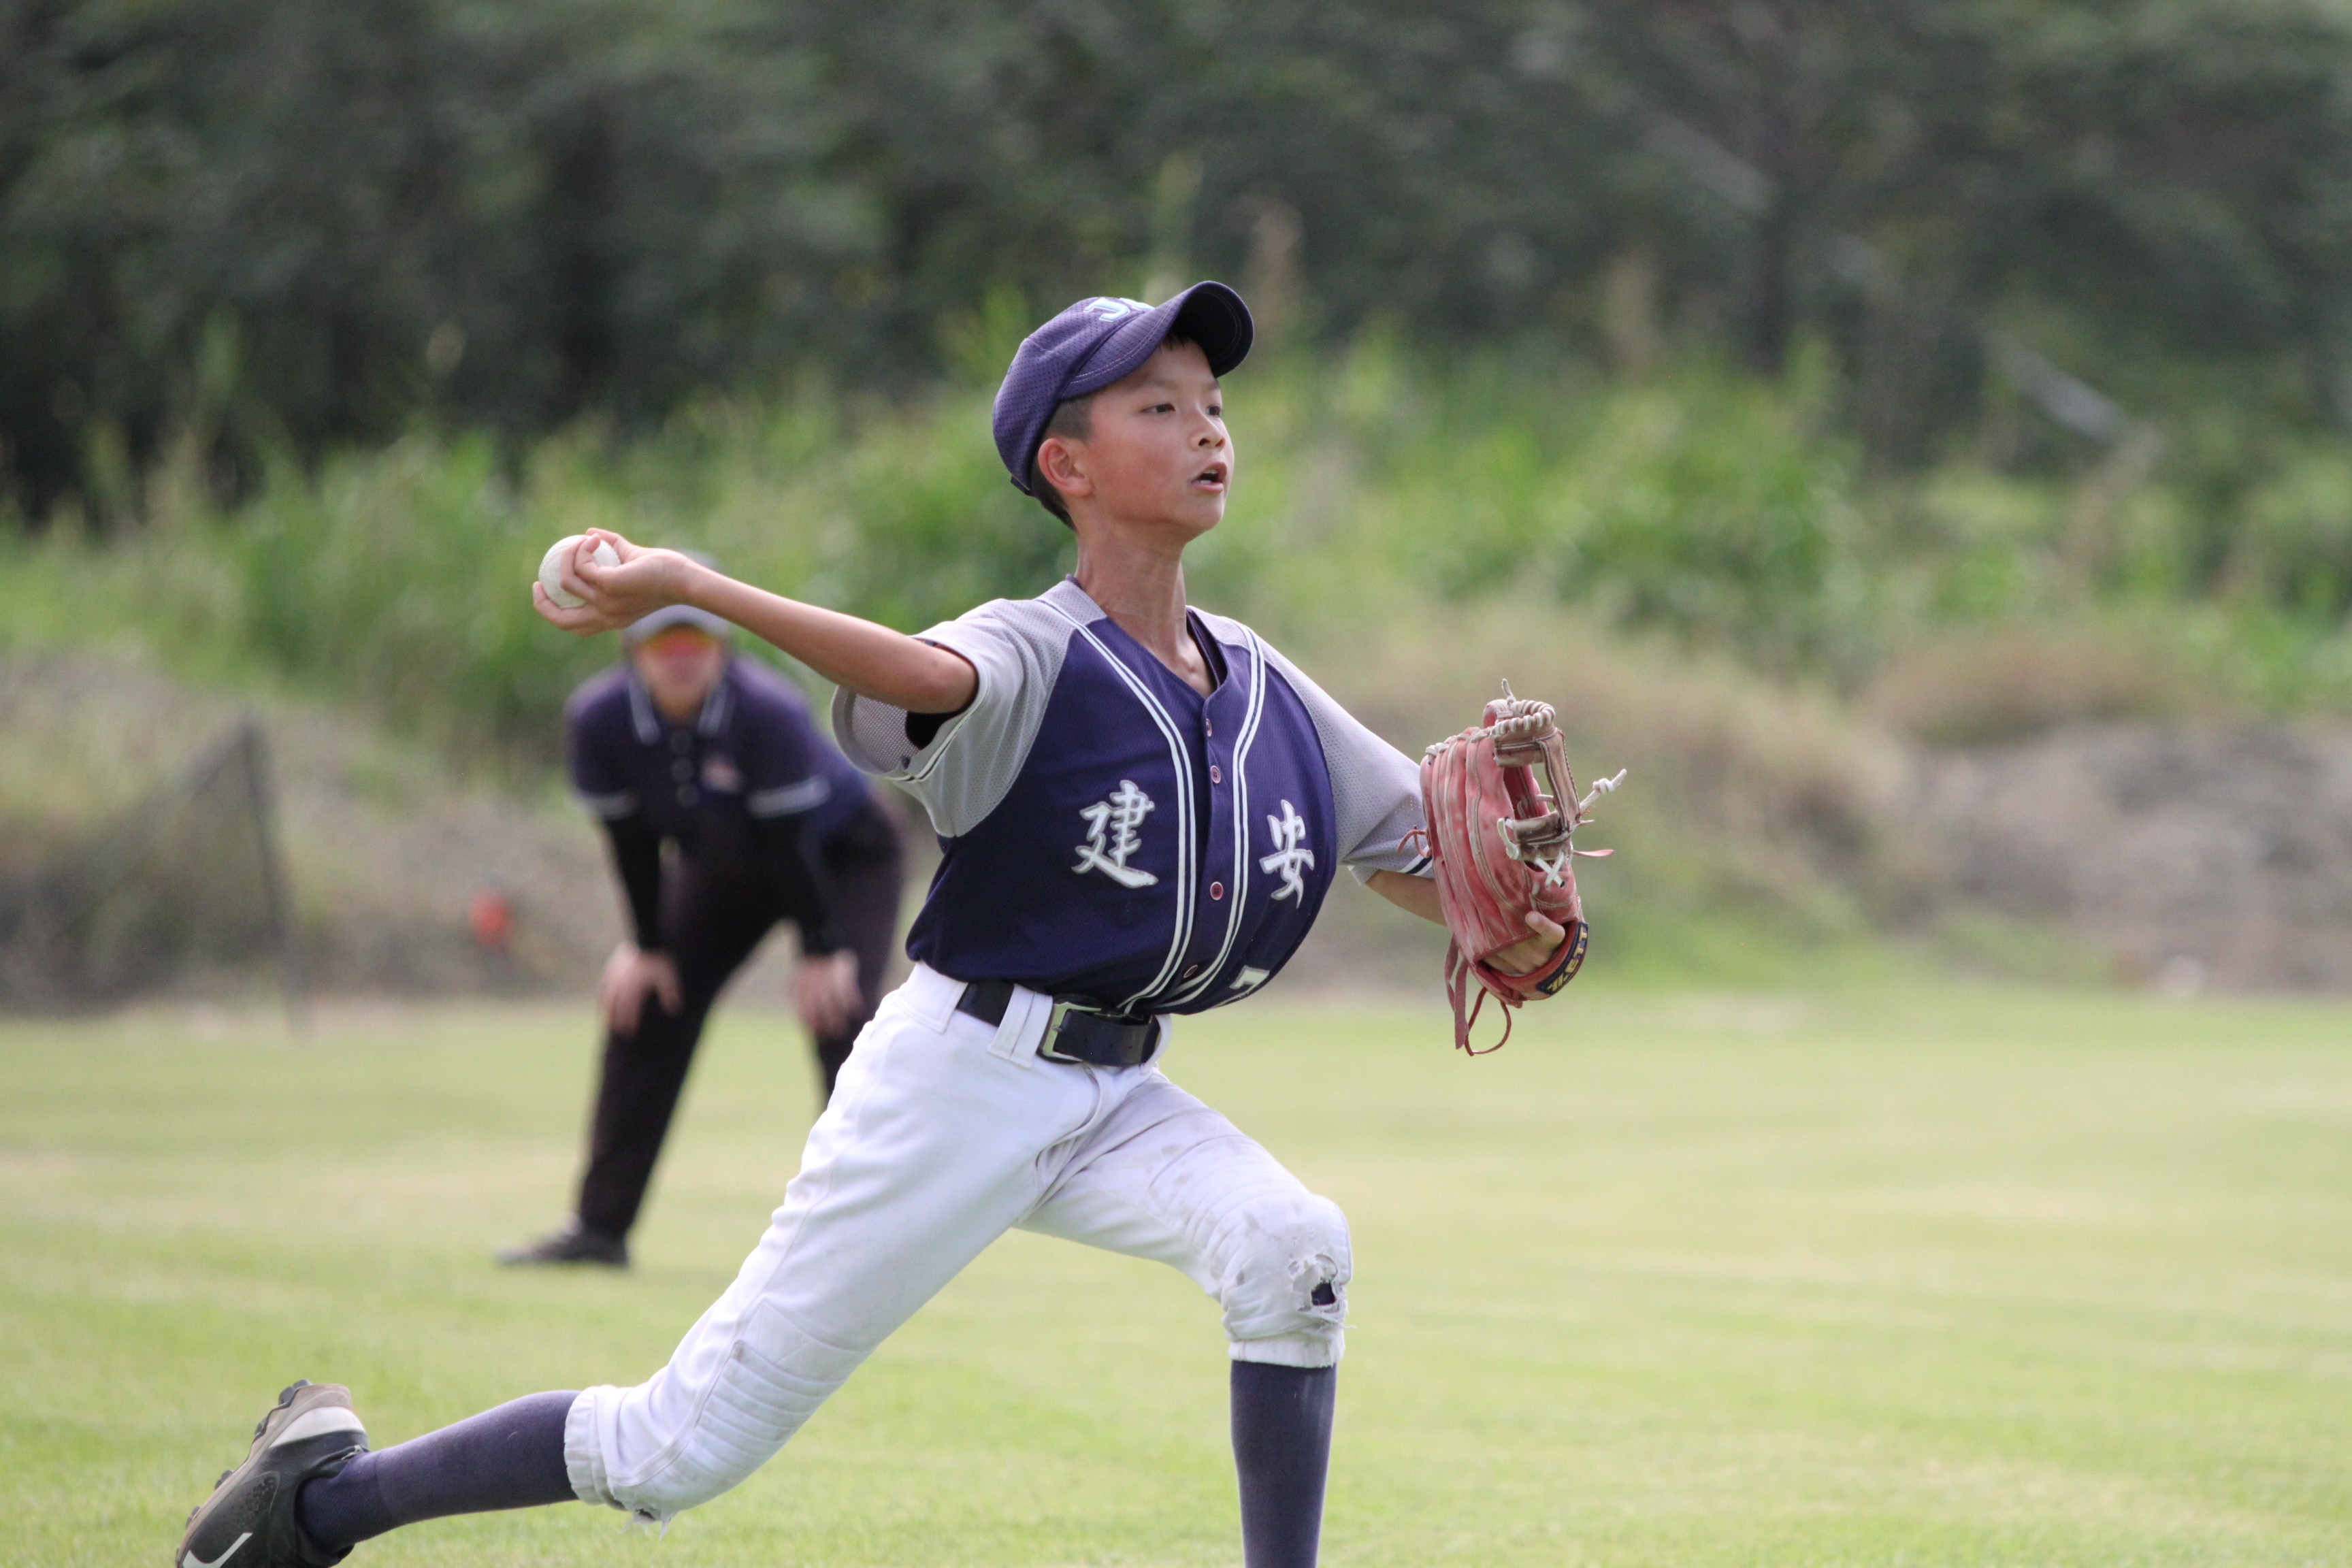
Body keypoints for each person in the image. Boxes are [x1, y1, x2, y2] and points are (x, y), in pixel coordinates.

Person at [173, 282, 1573, 1568]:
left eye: (1212, 403)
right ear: (1068, 465)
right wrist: (696, 587)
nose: (1207, 429)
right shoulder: (1030, 646)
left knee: (1293, 1245)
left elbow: (1414, 848)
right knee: (673, 1448)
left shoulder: (1258, 679)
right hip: (955, 1084)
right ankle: (317, 1502)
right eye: (1158, 406)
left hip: (1116, 1089)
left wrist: (1499, 912)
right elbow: (925, 675)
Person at [497, 595, 904, 1269]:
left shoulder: (767, 711)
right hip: (724, 867)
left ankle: (864, 1238)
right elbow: (630, 841)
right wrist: (647, 946)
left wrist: (823, 948)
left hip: (840, 855)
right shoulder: (600, 719)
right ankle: (599, 1230)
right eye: (665, 643)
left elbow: (791, 843)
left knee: (841, 1016)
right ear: (633, 652)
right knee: (647, 1006)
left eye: (698, 641)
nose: (682, 658)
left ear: (724, 649)